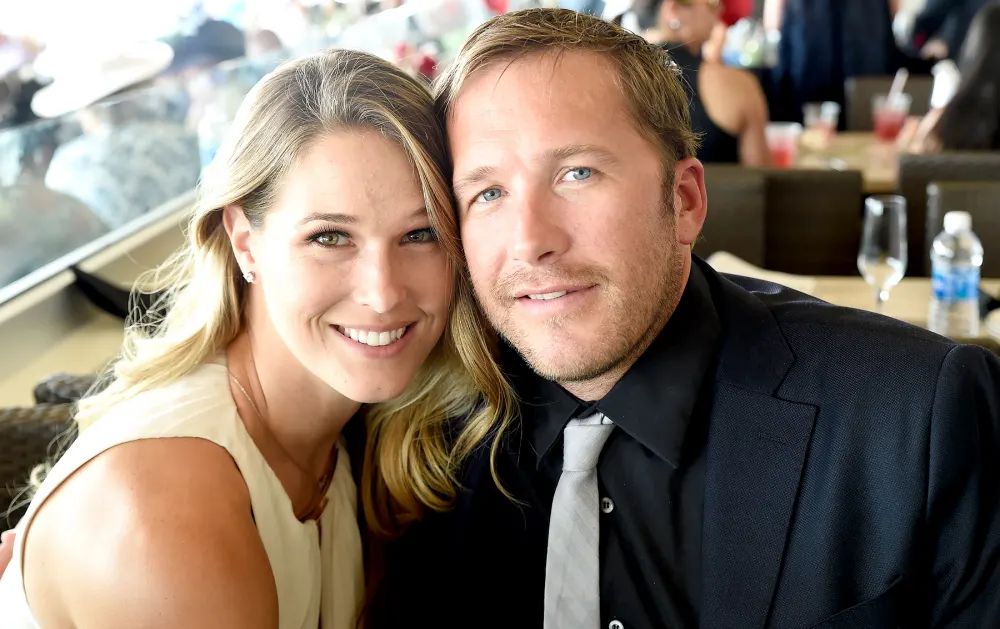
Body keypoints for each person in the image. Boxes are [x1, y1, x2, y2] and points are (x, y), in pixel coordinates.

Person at [373, 9, 1000, 628]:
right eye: (488, 193)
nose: (530, 241)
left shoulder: (919, 419)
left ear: (686, 200)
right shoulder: (417, 441)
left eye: (577, 173)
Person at [0, 49, 512, 628]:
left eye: (421, 233)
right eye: (329, 237)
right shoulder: (168, 511)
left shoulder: (357, 437)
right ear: (245, 242)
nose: (383, 292)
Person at [645, 0, 771, 165]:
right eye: (711, 3)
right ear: (673, 8)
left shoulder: (623, 75)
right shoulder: (737, 85)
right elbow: (760, 174)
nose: (720, 9)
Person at [907, 0, 1000, 152]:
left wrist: (918, 48)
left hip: (969, 77)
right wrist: (919, 48)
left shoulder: (941, 128)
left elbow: (915, 164)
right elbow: (922, 29)